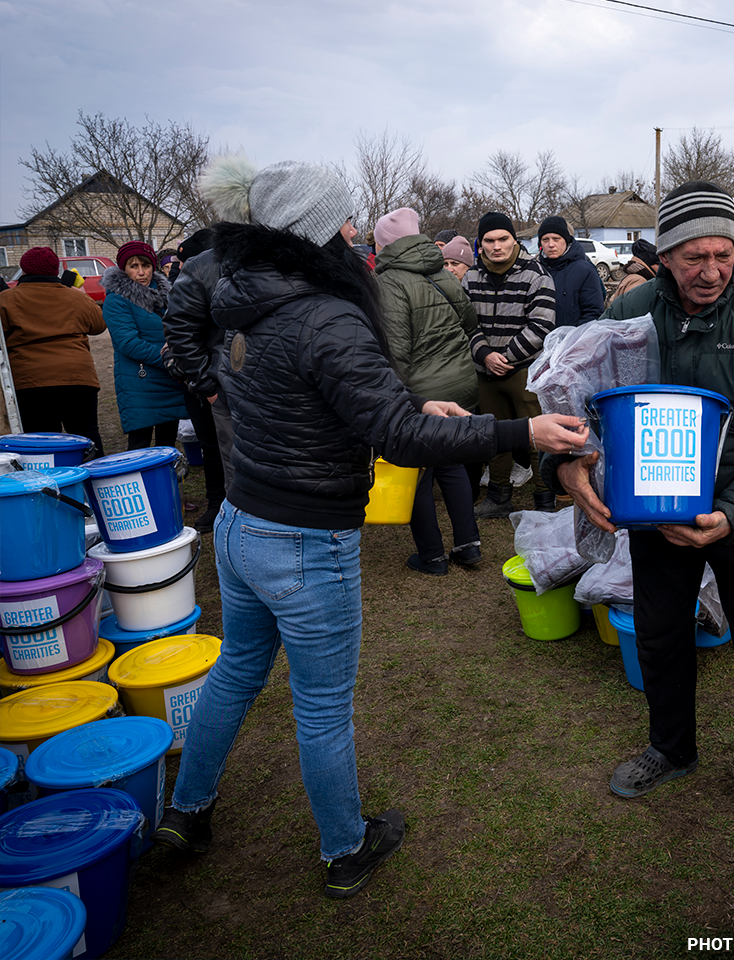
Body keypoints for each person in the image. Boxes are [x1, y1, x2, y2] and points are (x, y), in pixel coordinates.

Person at [151, 156, 588, 898]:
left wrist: (422, 409)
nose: (358, 230)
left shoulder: (249, 302)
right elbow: (396, 438)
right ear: (321, 231)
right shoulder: (324, 313)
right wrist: (521, 434)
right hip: (301, 540)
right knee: (320, 708)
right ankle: (345, 849)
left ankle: (184, 811)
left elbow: (336, 405)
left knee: (234, 674)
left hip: (239, 526)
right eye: (348, 218)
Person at [548, 180, 734, 822]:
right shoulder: (631, 314)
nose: (711, 271)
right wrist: (566, 462)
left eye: (723, 254)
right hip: (654, 507)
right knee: (661, 632)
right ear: (665, 255)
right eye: (694, 256)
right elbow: (577, 402)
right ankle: (670, 748)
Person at [372, 207, 482, 574]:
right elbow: (468, 318)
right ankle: (468, 546)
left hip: (424, 390)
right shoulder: (439, 269)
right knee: (450, 462)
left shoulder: (389, 282)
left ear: (385, 244)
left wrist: (394, 396)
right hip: (460, 381)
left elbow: (397, 349)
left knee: (416, 470)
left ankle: (432, 556)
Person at [463, 211, 557, 516]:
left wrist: (507, 357)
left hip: (526, 370)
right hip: (486, 370)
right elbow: (466, 325)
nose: (496, 246)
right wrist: (485, 355)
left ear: (514, 240)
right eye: (489, 240)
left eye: (503, 238)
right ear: (481, 244)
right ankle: (499, 496)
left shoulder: (536, 274)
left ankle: (546, 498)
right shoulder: (471, 277)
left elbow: (542, 324)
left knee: (536, 435)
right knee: (494, 434)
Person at [1, 246, 107, 454]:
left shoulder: (6, 300)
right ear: (55, 270)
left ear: (24, 270)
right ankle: (97, 481)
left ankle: (51, 484)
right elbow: (98, 325)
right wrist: (79, 293)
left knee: (43, 442)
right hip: (77, 378)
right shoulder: (75, 297)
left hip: (30, 382)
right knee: (87, 435)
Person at [161, 229, 228, 532]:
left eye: (184, 260)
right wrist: (202, 382)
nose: (181, 266)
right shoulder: (188, 285)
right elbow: (175, 337)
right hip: (201, 383)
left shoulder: (219, 277)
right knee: (211, 446)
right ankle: (216, 504)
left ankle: (233, 507)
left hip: (224, 377)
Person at [102, 241, 187, 450]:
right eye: (133, 266)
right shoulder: (117, 300)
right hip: (140, 382)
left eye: (146, 265)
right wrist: (168, 359)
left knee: (168, 447)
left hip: (169, 380)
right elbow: (128, 343)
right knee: (140, 447)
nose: (141, 272)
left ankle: (166, 484)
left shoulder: (167, 295)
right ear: (123, 269)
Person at [536, 216, 604, 328]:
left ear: (566, 241)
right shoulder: (535, 269)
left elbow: (593, 313)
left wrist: (572, 340)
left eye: (556, 239)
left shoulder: (585, 271)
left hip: (571, 342)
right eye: (545, 240)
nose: (551, 244)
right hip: (537, 342)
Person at [607, 238, 658, 305]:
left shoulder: (636, 278)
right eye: (658, 264)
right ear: (650, 264)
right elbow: (633, 311)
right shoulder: (639, 281)